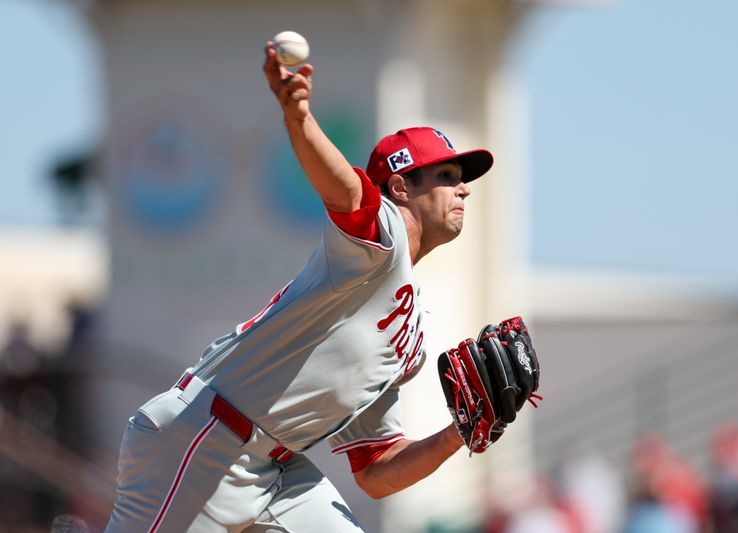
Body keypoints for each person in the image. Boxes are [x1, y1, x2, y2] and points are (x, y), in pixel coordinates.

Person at [105, 40, 495, 532]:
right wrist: (299, 118)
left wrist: (458, 433)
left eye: (462, 178)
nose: (463, 188)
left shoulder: (410, 330)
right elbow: (349, 194)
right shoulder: (382, 240)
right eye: (446, 175)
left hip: (275, 469)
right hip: (201, 438)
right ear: (400, 188)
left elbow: (375, 470)